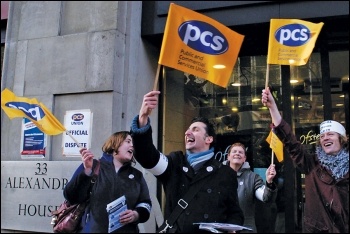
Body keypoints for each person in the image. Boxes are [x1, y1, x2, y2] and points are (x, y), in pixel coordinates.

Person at [130, 90, 244, 233]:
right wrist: (143, 118)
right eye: (188, 130)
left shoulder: (226, 173)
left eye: (195, 130)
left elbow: (235, 213)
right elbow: (147, 157)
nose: (187, 133)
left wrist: (232, 229)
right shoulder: (174, 163)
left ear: (209, 139)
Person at [262, 87, 349, 233]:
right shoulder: (311, 164)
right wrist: (272, 107)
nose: (325, 138)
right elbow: (289, 140)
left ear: (341, 139)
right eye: (322, 136)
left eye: (330, 134)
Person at [63, 131, 152, 233]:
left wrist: (136, 215)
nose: (132, 145)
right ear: (114, 144)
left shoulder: (137, 175)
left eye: (133, 143)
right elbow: (71, 197)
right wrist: (87, 171)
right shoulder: (93, 166)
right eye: (128, 141)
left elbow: (145, 203)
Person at [224, 142, 277, 233]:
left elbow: (265, 197)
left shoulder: (253, 177)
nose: (237, 153)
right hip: (222, 227)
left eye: (240, 152)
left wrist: (269, 182)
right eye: (234, 151)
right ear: (228, 156)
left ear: (244, 158)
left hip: (245, 228)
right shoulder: (217, 176)